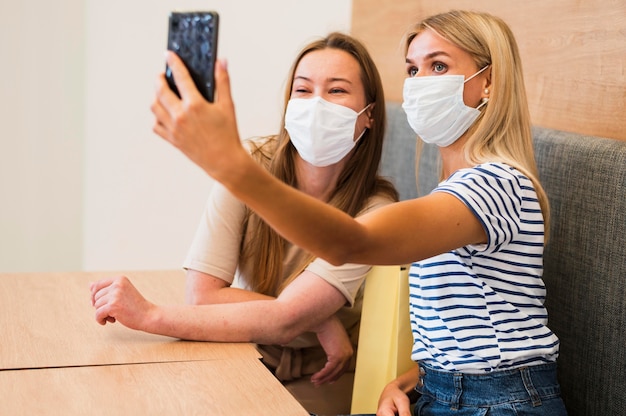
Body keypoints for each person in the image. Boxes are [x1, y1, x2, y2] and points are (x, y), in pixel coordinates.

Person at [150, 9, 569, 416]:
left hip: (502, 403)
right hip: (446, 393)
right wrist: (407, 382)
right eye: (412, 70)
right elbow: (463, 337)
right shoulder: (455, 190)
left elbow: (350, 242)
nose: (420, 84)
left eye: (438, 67)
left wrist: (231, 166)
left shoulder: (494, 184)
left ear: (489, 82)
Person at [90, 32, 398, 415]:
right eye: (303, 90)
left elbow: (286, 320)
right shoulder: (251, 163)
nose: (316, 104)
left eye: (336, 91)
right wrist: (321, 321)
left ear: (368, 113)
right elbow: (203, 296)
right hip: (242, 349)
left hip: (325, 374)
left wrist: (149, 315)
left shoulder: (377, 210)